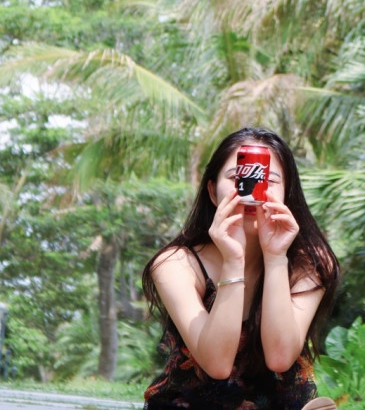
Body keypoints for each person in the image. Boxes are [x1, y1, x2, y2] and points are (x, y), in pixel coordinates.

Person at [141, 127, 341, 410]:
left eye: (267, 179)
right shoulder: (176, 264)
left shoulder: (311, 264)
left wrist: (275, 258)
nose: (251, 190)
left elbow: (280, 357)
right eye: (239, 177)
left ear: (287, 194)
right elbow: (217, 364)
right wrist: (233, 260)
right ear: (212, 192)